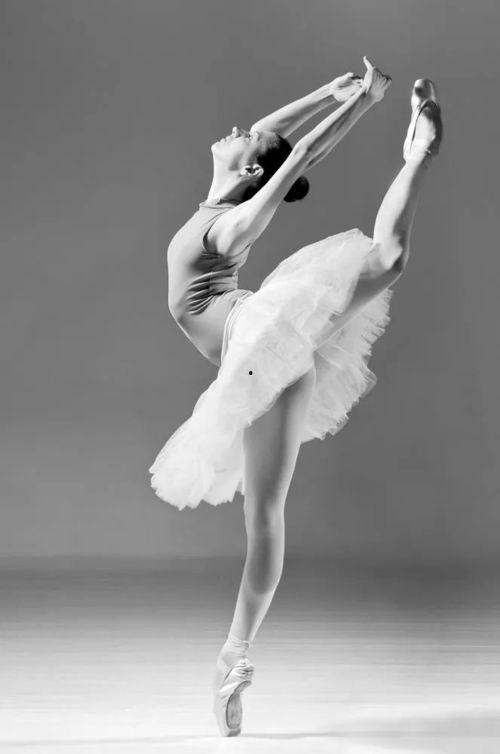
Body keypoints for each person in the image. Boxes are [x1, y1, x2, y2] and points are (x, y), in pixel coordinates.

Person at [148, 56, 443, 736]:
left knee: (264, 517)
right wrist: (336, 93)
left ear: (252, 169)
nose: (239, 128)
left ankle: (236, 656)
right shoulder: (220, 201)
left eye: (247, 141)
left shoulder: (229, 227)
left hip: (258, 340)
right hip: (268, 345)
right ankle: (418, 157)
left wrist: (358, 106)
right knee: (386, 260)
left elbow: (297, 154)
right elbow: (275, 136)